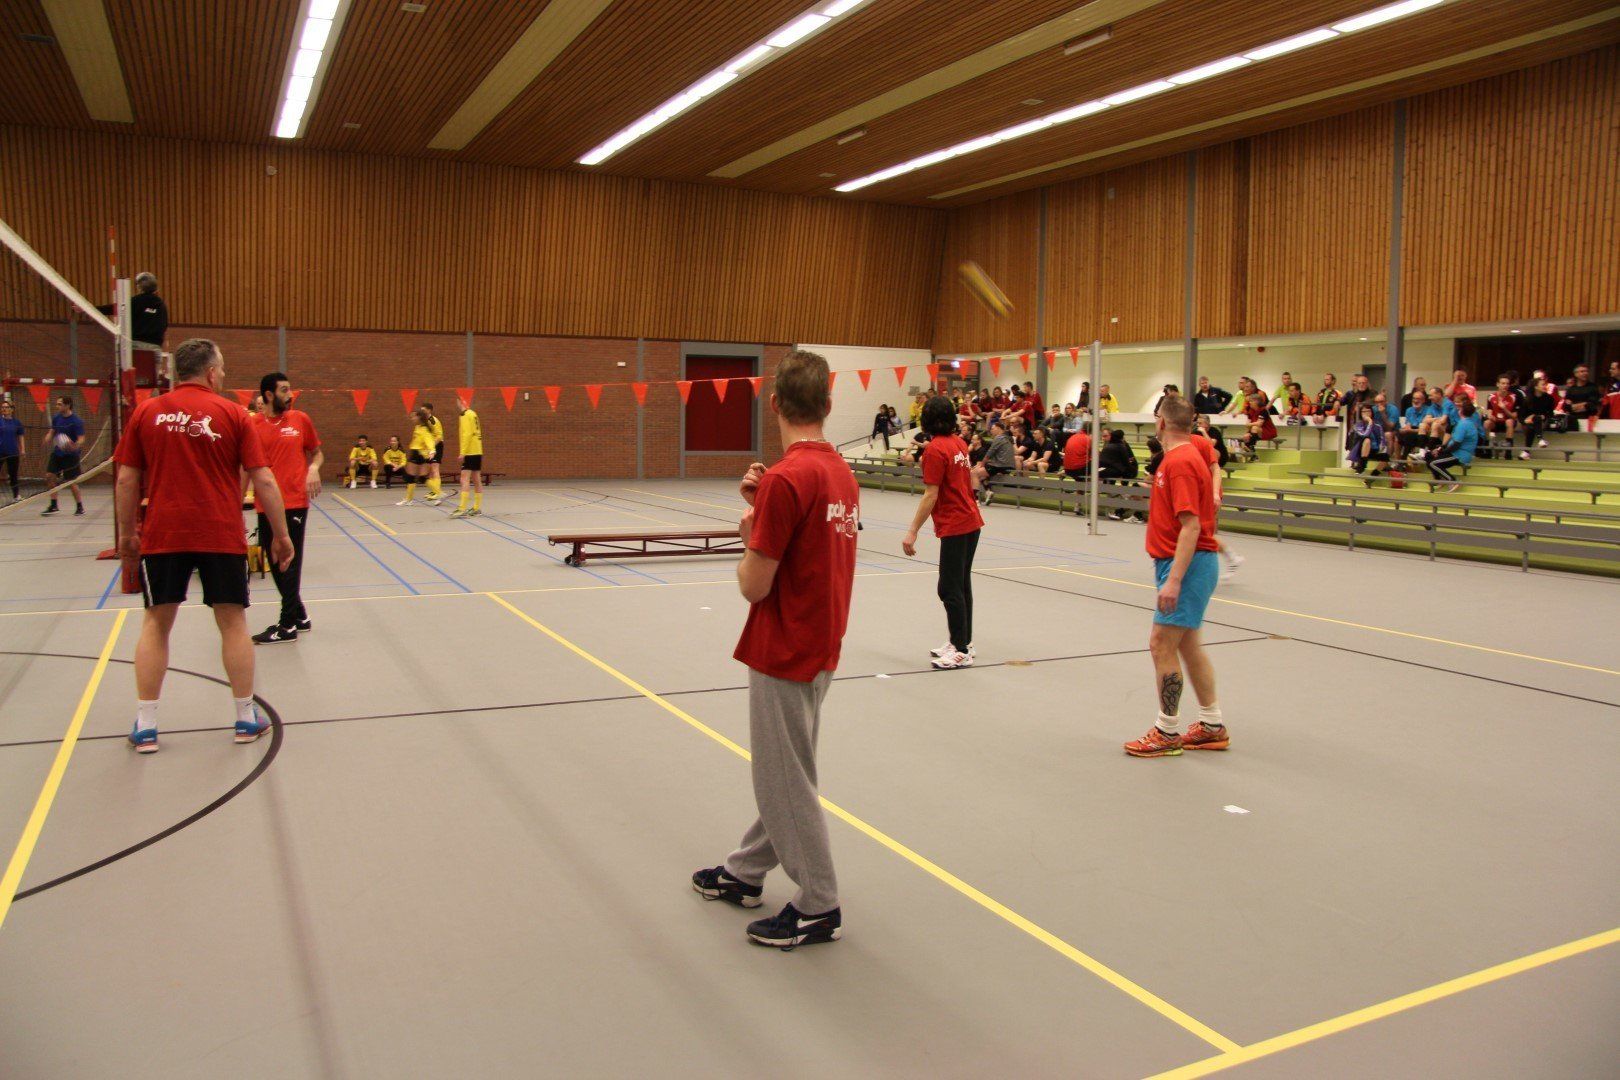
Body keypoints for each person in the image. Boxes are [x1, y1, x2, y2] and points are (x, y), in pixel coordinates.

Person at [691, 350, 856, 949]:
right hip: (822, 642)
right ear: (828, 405)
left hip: (785, 645)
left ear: (776, 404)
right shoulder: (839, 473)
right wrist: (761, 509)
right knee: (790, 770)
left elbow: (754, 584)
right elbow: (807, 544)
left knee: (782, 780)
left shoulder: (788, 477)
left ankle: (818, 902)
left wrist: (749, 535)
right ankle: (746, 872)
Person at [114, 339, 294, 754]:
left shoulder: (146, 412)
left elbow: (126, 479)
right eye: (223, 369)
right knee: (232, 624)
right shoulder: (234, 414)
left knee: (156, 623)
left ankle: (146, 726)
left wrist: (126, 534)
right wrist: (281, 535)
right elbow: (264, 479)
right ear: (211, 373)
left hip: (164, 534)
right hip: (220, 534)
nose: (224, 376)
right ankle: (245, 718)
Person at [1123, 396, 1230, 759]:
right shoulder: (1180, 458)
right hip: (1186, 562)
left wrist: (1174, 581)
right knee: (1187, 645)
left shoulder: (1181, 462)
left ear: (1162, 422)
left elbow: (1191, 526)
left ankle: (1167, 730)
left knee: (1161, 644)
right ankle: (1212, 725)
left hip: (1186, 564)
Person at [901, 397, 984, 670]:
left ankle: (961, 650)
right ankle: (963, 641)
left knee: (948, 587)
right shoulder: (958, 443)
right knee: (961, 584)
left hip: (956, 523)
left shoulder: (935, 450)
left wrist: (912, 531)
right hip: (971, 520)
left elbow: (931, 494)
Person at [249, 371, 323, 645]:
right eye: (284, 390)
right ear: (269, 395)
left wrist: (313, 468)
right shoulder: (253, 425)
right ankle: (300, 616)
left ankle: (287, 625)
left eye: (290, 389)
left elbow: (317, 452)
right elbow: (245, 466)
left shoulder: (300, 420)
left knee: (288, 562)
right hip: (265, 503)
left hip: (294, 502)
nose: (290, 395)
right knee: (273, 560)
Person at [40, 395, 86, 516]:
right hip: (57, 453)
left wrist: (75, 445)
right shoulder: (56, 418)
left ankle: (80, 507)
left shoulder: (76, 421)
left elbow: (81, 439)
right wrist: (47, 438)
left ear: (67, 405)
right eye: (57, 404)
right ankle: (54, 505)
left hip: (71, 455)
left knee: (71, 482)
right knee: (49, 476)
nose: (57, 406)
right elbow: (52, 431)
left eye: (60, 404)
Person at [1428, 399, 1483, 492]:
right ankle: (1439, 480)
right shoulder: (1466, 423)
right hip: (1455, 452)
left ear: (1461, 411)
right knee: (1428, 456)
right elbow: (1453, 441)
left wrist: (1442, 451)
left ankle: (1452, 480)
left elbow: (1456, 444)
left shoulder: (1463, 424)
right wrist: (1441, 448)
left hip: (1460, 455)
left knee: (1433, 463)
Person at [451, 395, 484, 518]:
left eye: (457, 401)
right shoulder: (473, 413)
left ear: (460, 401)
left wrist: (463, 452)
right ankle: (476, 508)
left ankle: (462, 508)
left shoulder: (465, 415)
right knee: (476, 479)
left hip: (470, 451)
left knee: (464, 478)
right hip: (478, 450)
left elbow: (467, 434)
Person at [397, 406, 437, 505]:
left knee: (410, 476)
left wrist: (432, 450)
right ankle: (438, 492)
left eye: (413, 417)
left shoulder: (423, 429)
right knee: (422, 478)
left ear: (419, 417)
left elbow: (429, 440)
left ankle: (409, 499)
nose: (412, 418)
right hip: (417, 452)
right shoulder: (418, 427)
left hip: (417, 453)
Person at [973, 420, 1016, 503]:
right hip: (1008, 464)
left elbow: (989, 453)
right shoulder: (1008, 438)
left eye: (992, 428)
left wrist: (981, 464)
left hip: (1000, 465)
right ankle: (988, 492)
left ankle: (975, 499)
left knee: (974, 473)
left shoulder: (999, 438)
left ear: (999, 428)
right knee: (982, 475)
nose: (991, 430)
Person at [130, 272, 169, 351]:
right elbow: (164, 324)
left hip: (136, 343)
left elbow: (119, 309)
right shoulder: (160, 304)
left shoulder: (135, 301)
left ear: (139, 286)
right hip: (155, 345)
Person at [1348, 405, 1390, 479]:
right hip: (1361, 449)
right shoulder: (1358, 425)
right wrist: (1370, 423)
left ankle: (1373, 476)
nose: (1366, 413)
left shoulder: (1378, 425)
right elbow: (1365, 435)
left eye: (1368, 411)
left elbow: (1382, 439)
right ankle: (1361, 467)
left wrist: (1382, 450)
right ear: (1360, 414)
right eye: (1363, 411)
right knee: (1367, 440)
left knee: (1385, 457)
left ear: (1372, 413)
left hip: (1374, 449)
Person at [1483, 375, 1519, 452]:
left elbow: (1514, 416)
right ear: (1498, 384)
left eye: (1507, 384)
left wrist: (1504, 408)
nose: (1505, 385)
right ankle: (1487, 448)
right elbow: (1489, 411)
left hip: (1507, 422)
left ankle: (1508, 451)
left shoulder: (1513, 397)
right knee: (1487, 423)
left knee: (1509, 421)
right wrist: (1490, 416)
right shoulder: (1491, 396)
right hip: (1495, 422)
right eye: (1503, 383)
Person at [1561, 365, 1603, 429]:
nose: (1585, 373)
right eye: (1582, 371)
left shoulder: (1593, 388)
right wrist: (1583, 404)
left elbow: (1591, 405)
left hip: (1589, 421)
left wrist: (1573, 406)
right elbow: (1566, 407)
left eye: (1587, 371)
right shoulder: (1571, 389)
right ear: (1576, 374)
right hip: (1573, 421)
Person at [423, 402, 446, 504]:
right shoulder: (424, 422)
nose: (422, 412)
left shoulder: (433, 421)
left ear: (429, 410)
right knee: (430, 469)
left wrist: (432, 448)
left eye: (423, 410)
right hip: (429, 447)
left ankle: (438, 493)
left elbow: (439, 436)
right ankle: (434, 491)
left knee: (435, 469)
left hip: (436, 446)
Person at [0, 399, 23, 502]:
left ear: (12, 409)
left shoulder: (16, 422)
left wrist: (22, 449)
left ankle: (16, 495)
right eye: (3, 407)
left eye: (6, 407)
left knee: (13, 475)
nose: (4, 409)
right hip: (1, 451)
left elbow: (20, 436)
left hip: (13, 452)